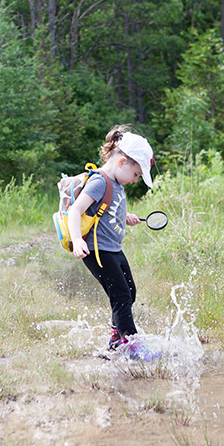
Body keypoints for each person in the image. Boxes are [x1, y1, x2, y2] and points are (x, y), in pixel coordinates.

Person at [67, 125, 154, 350]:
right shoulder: (100, 182)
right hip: (97, 249)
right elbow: (76, 210)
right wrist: (77, 240)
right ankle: (131, 345)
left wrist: (126, 217)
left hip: (112, 248)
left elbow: (107, 210)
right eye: (136, 174)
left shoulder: (117, 183)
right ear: (122, 162)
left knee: (129, 291)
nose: (135, 180)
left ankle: (117, 337)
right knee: (121, 296)